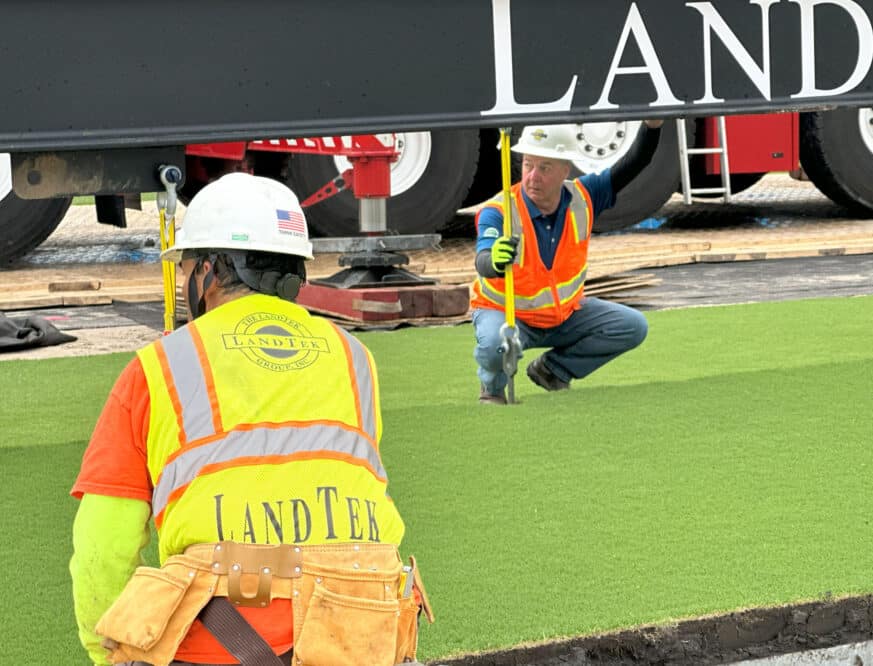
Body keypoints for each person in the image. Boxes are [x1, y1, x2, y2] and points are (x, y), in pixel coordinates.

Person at [69, 173, 428, 666]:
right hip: (359, 630)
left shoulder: (161, 366)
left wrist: (104, 649)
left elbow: (102, 545)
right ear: (293, 273)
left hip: (220, 634)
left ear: (209, 272)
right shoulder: (354, 357)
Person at [471, 120, 663, 404]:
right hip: (508, 312)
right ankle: (493, 389)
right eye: (528, 165)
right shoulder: (499, 211)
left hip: (565, 314)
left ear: (565, 170)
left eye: (544, 168)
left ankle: (552, 370)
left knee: (632, 325)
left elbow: (635, 163)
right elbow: (483, 260)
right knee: (495, 346)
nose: (532, 177)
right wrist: (494, 261)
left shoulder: (584, 196)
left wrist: (653, 126)